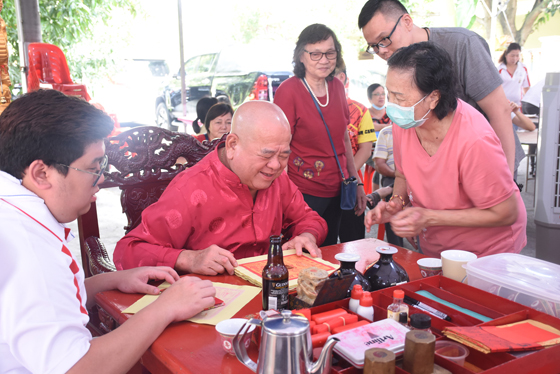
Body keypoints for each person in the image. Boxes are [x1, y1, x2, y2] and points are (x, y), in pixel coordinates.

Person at [0, 89, 216, 374]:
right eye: (92, 167)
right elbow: (76, 368)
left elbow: (45, 303)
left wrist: (110, 280)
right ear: (42, 174)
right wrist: (165, 308)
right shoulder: (29, 246)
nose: (101, 178)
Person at [114, 101, 327, 275]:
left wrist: (307, 236)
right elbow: (127, 252)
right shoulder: (190, 189)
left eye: (283, 156)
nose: (275, 165)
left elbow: (310, 219)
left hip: (271, 292)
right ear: (233, 145)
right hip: (213, 301)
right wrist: (188, 259)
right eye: (267, 155)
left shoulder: (276, 179)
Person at [365, 42, 527, 258]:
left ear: (433, 97)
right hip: (438, 249)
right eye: (389, 94)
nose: (391, 105)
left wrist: (428, 217)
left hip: (488, 253)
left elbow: (505, 212)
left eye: (400, 97)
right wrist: (397, 203)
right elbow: (404, 173)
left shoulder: (474, 140)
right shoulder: (405, 122)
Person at [358, 0, 516, 175]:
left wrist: (506, 177)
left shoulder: (462, 44)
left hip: (485, 163)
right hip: (444, 171)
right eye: (374, 46)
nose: (381, 51)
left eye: (384, 40)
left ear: (407, 22)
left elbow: (500, 111)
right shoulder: (398, 63)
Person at [274, 24, 367, 246]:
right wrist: (283, 197)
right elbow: (280, 147)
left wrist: (358, 183)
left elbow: (344, 138)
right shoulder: (289, 91)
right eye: (315, 54)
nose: (323, 60)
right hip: (304, 194)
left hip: (340, 188)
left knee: (333, 251)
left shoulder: (336, 86)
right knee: (307, 252)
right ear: (301, 57)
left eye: (330, 53)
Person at [333, 61, 377, 242]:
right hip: (318, 185)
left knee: (352, 241)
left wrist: (346, 176)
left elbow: (365, 150)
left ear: (341, 77)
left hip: (350, 185)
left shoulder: (360, 110)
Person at [370, 124, 402, 246]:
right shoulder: (386, 132)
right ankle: (397, 248)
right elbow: (379, 164)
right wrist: (399, 176)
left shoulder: (421, 130)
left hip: (418, 177)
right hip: (392, 175)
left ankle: (384, 191)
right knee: (393, 202)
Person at [366, 83, 392, 192]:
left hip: (389, 148)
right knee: (381, 164)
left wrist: (378, 127)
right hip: (369, 150)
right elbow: (367, 128)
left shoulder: (391, 112)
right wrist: (386, 127)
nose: (381, 96)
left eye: (383, 93)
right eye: (377, 94)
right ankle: (376, 197)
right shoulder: (365, 113)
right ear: (369, 98)